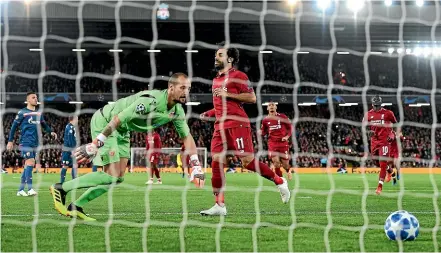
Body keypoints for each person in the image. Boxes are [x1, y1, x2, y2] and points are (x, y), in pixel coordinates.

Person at [49, 73, 204, 221]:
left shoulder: (177, 111)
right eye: (182, 88)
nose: (186, 92)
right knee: (111, 174)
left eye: (189, 89)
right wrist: (96, 143)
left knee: (117, 178)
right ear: (171, 87)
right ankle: (61, 188)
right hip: (106, 121)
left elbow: (187, 137)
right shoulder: (150, 100)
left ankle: (76, 206)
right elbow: (118, 119)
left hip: (124, 130)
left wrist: (196, 164)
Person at [199, 42, 290, 216]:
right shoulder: (215, 80)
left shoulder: (239, 75)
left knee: (247, 163)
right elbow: (220, 105)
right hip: (220, 127)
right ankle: (219, 205)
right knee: (216, 163)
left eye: (220, 54)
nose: (215, 57)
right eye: (216, 55)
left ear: (230, 59)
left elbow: (251, 97)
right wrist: (209, 113)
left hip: (238, 124)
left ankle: (279, 181)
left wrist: (228, 94)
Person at [7, 92, 57, 197]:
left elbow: (45, 125)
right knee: (31, 162)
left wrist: (50, 132)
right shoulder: (22, 113)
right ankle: (30, 189)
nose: (35, 99)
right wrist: (10, 141)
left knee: (27, 165)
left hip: (35, 143)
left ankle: (20, 190)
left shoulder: (39, 114)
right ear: (28, 100)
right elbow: (13, 127)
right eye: (33, 97)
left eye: (36, 97)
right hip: (25, 142)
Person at [364, 95, 398, 195]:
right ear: (372, 104)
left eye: (378, 105)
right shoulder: (368, 114)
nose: (377, 107)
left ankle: (379, 187)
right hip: (374, 142)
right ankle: (390, 171)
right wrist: (368, 131)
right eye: (375, 106)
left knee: (382, 164)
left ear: (381, 104)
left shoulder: (388, 113)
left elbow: (395, 125)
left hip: (385, 142)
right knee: (376, 162)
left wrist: (392, 134)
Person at [259, 101, 293, 180]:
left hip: (283, 143)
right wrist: (260, 132)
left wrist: (287, 137)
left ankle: (288, 170)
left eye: (273, 105)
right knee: (276, 163)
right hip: (272, 143)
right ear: (267, 108)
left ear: (276, 107)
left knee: (285, 165)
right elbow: (264, 132)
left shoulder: (282, 117)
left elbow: (290, 128)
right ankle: (280, 182)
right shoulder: (265, 120)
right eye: (269, 105)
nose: (271, 106)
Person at [60, 116, 78, 183]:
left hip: (71, 149)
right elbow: (70, 139)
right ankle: (61, 182)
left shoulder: (71, 127)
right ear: (73, 119)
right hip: (68, 150)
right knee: (65, 166)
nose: (77, 120)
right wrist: (73, 150)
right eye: (77, 119)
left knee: (74, 165)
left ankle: (74, 181)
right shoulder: (70, 127)